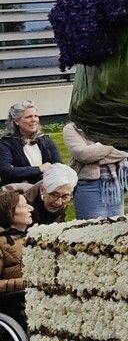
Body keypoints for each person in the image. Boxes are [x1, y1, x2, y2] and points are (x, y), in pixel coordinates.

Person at [62, 123, 128, 220]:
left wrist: (97, 154)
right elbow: (84, 155)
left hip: (114, 185)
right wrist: (113, 143)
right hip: (89, 186)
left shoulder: (110, 123)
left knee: (117, 227)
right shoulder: (72, 128)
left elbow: (124, 151)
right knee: (93, 229)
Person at [0, 101, 60, 186]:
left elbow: (58, 166)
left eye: (36, 116)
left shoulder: (45, 140)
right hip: (18, 193)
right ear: (16, 121)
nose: (34, 120)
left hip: (46, 190)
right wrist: (39, 169)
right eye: (28, 117)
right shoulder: (5, 144)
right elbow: (5, 171)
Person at [0, 189, 32, 328]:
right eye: (24, 205)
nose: (31, 208)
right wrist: (25, 282)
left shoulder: (34, 238)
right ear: (10, 211)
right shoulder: (1, 242)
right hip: (14, 303)